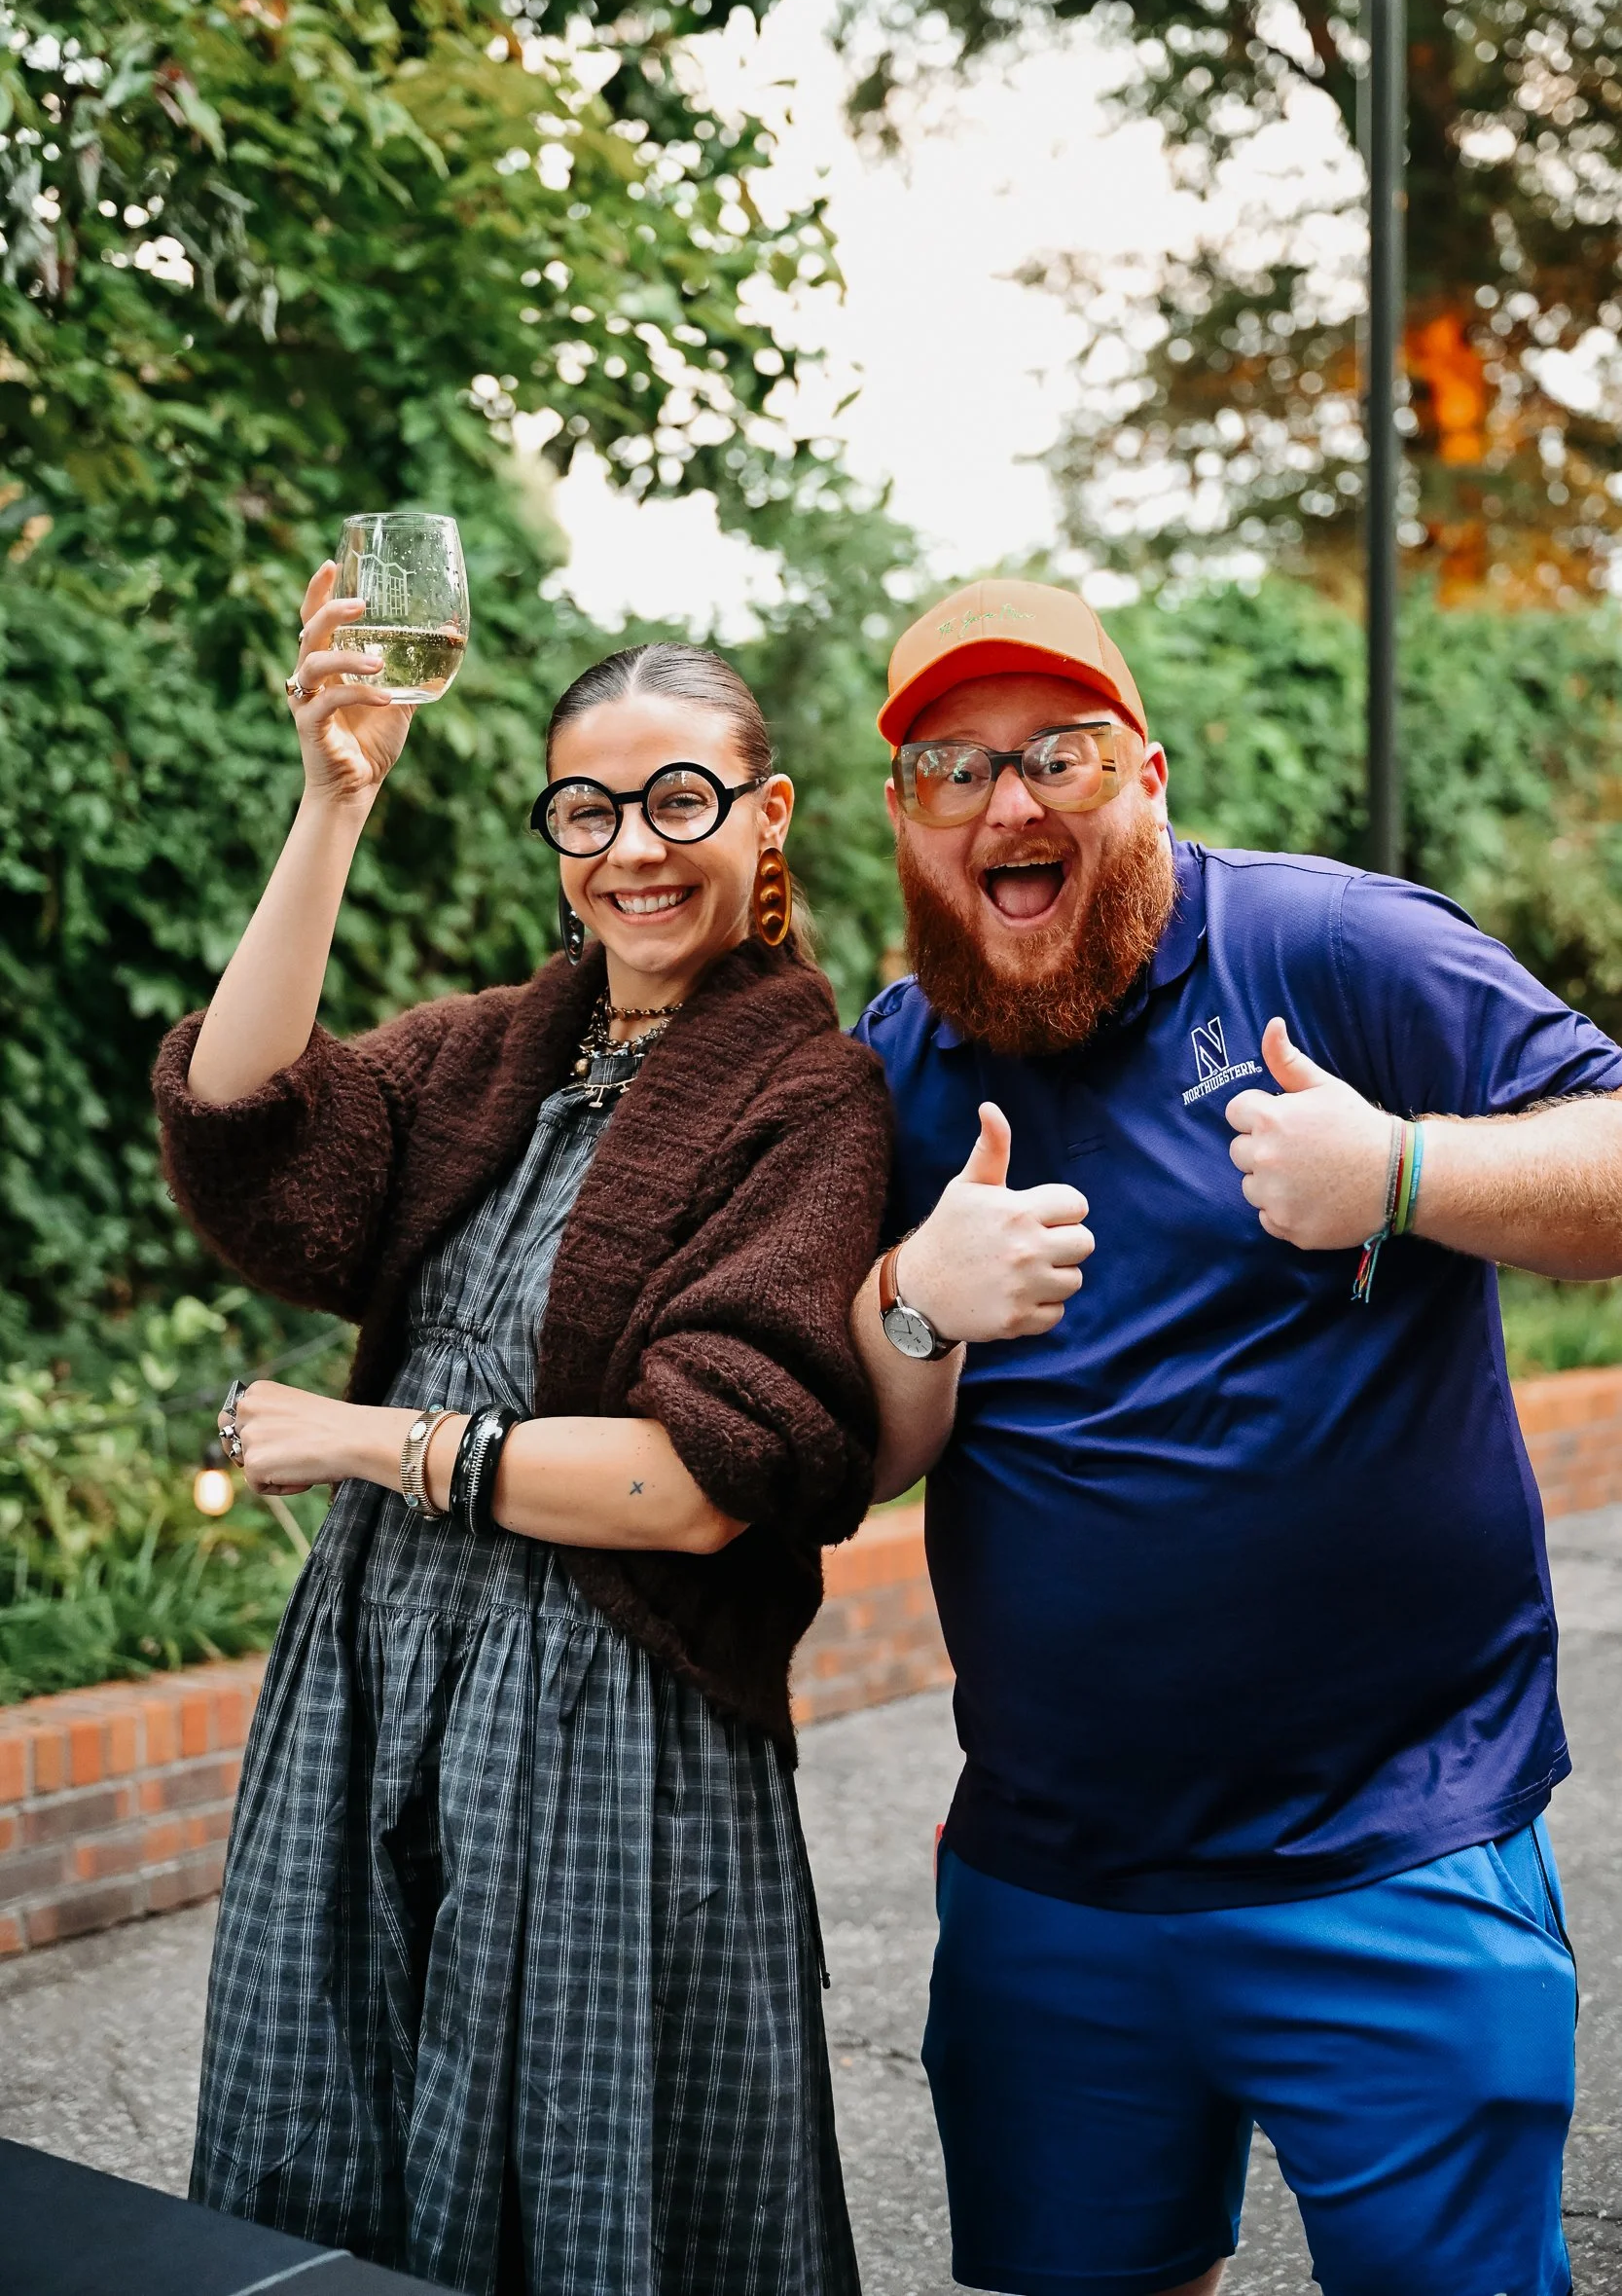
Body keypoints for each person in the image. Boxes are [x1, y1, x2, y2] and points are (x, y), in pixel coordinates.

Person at [849, 576, 1622, 2296]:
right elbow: (862, 1461)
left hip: (1390, 1852)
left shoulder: (1331, 949)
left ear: (1152, 779)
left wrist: (1407, 1173)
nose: (1009, 803)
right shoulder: (891, 1065)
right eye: (950, 771)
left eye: (1059, 751)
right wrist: (906, 1298)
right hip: (1051, 1885)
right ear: (904, 823)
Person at [153, 563, 891, 2296]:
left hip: (606, 1703)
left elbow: (696, 1482)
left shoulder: (809, 1094)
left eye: (680, 798)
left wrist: (368, 1441)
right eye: (589, 806)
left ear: (764, 813)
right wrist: (333, 804)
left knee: (580, 2177)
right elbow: (247, 1114)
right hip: (371, 1675)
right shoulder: (491, 1053)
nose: (633, 844)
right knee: (328, 2131)